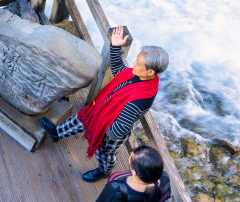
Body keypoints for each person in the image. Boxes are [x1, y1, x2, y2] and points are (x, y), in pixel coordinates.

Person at [39, 26, 169, 182]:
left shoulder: (141, 97)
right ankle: (56, 133)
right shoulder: (138, 76)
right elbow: (119, 69)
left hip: (110, 132)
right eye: (136, 59)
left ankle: (103, 171)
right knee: (80, 119)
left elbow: (117, 130)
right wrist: (115, 46)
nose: (134, 63)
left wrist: (99, 127)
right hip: (100, 112)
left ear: (150, 72)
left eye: (139, 63)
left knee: (105, 153)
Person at [95, 145, 171, 202]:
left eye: (131, 157)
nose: (131, 152)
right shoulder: (165, 178)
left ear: (134, 172)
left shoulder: (115, 188)